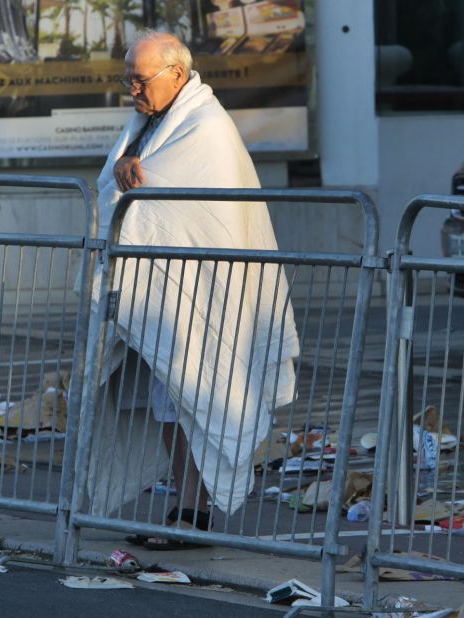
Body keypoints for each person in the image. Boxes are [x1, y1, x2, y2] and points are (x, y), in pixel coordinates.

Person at [88, 29, 300, 550]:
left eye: (140, 81)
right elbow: (118, 187)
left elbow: (187, 202)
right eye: (128, 80)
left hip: (206, 295)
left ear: (176, 75)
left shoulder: (206, 127)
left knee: (197, 394)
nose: (132, 91)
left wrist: (134, 180)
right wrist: (122, 176)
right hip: (164, 297)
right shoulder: (148, 121)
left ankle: (194, 511)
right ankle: (185, 503)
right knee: (168, 400)